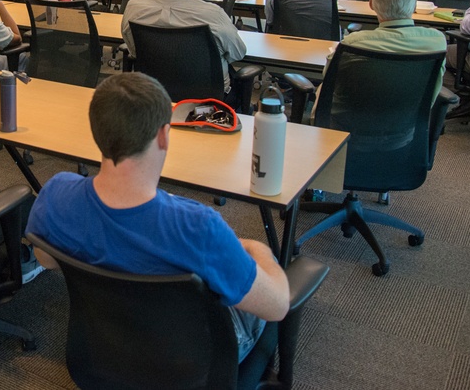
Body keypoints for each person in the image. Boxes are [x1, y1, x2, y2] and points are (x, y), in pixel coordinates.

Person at [26, 73, 289, 362]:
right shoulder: (199, 229)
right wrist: (257, 249)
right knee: (260, 279)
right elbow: (277, 306)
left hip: (103, 349)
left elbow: (45, 259)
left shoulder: (55, 194)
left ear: (96, 131)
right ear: (164, 135)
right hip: (188, 363)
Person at [121, 0, 246, 97]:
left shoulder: (133, 8)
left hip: (154, 97)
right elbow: (238, 53)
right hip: (206, 101)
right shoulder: (214, 14)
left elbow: (134, 51)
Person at [335, 0, 447, 99]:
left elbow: (331, 78)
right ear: (415, 3)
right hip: (410, 113)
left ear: (371, 2)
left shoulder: (352, 44)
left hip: (355, 112)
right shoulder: (437, 42)